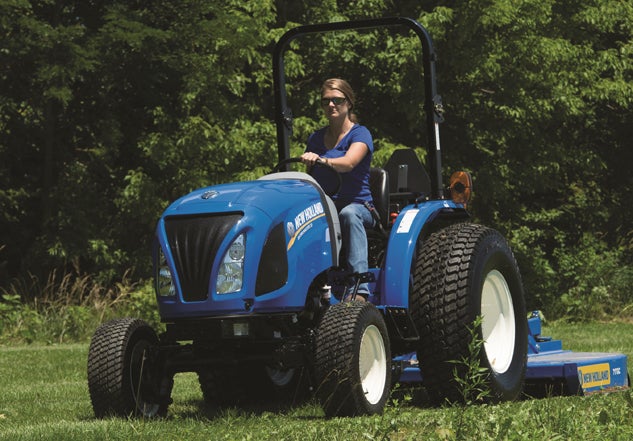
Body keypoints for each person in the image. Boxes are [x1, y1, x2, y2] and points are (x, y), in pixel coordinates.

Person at [300, 78, 375, 300]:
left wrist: (322, 160)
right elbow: (309, 176)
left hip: (361, 207)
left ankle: (359, 288)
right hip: (327, 207)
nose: (331, 105)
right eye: (326, 101)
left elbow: (349, 162)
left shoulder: (360, 134)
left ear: (349, 103)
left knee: (348, 214)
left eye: (337, 100)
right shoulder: (315, 138)